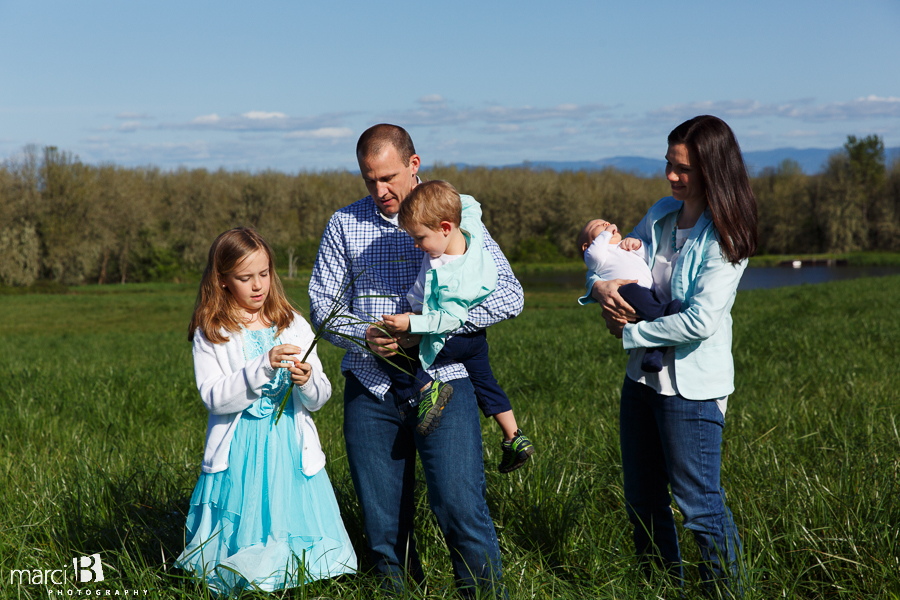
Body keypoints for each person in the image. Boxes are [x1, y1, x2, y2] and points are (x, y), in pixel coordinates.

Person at [309, 124, 523, 597]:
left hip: (446, 382)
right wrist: (366, 337)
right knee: (384, 529)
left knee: (461, 511)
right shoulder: (343, 224)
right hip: (371, 388)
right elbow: (322, 307)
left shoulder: (456, 215)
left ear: (414, 164)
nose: (380, 191)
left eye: (388, 177)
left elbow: (509, 296)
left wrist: (426, 328)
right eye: (369, 180)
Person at [583, 115, 757, 594]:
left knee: (699, 505)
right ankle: (660, 588)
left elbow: (701, 321)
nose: (672, 177)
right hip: (641, 382)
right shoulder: (660, 213)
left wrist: (632, 332)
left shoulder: (727, 237)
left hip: (692, 390)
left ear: (712, 171)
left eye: (684, 169)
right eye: (668, 165)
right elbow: (614, 261)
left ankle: (727, 591)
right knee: (642, 499)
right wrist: (599, 288)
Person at [176, 228, 356, 594]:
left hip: (290, 444)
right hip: (241, 449)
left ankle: (291, 581)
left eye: (264, 274)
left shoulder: (292, 323)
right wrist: (263, 365)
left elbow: (319, 398)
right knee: (247, 529)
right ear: (223, 280)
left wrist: (306, 381)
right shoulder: (214, 332)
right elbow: (214, 397)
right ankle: (246, 578)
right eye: (245, 278)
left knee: (288, 523)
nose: (258, 286)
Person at [379, 179, 535, 473]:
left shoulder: (451, 276)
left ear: (445, 228)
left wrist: (411, 324)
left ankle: (427, 388)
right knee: (486, 384)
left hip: (452, 337)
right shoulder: (471, 228)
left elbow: (450, 320)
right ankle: (514, 436)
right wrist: (436, 196)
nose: (416, 245)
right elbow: (471, 203)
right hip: (476, 341)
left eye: (421, 237)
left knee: (389, 349)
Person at [576, 217, 682, 372]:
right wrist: (605, 235)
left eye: (606, 222)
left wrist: (638, 246)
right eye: (597, 225)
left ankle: (653, 355)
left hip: (647, 293)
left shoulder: (624, 247)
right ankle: (666, 313)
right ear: (587, 246)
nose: (606, 224)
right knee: (640, 298)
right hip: (626, 291)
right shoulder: (598, 255)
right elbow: (594, 255)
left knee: (652, 323)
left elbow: (649, 257)